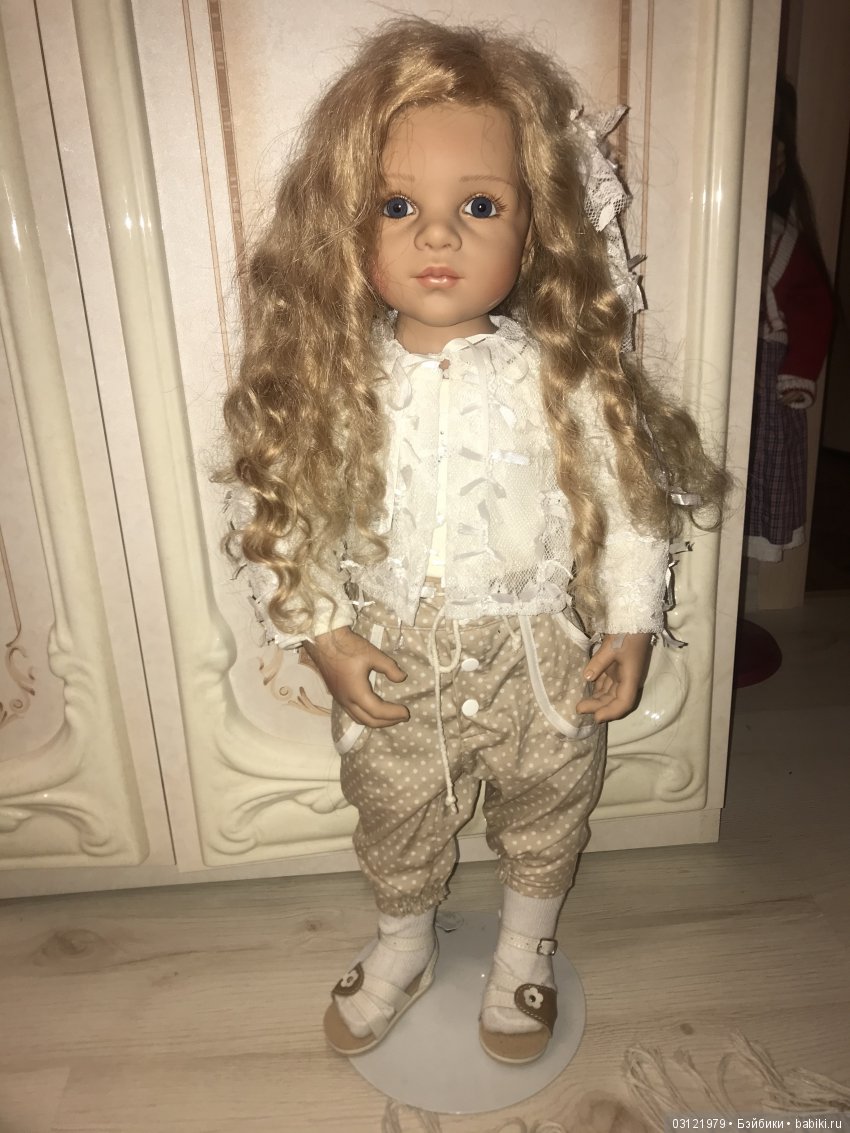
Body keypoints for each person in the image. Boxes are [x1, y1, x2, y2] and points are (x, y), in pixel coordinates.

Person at [220, 18, 726, 1064]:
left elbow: (633, 503)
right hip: (395, 652)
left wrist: (630, 624)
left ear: (534, 230)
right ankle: (403, 943)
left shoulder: (562, 375)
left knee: (550, 801)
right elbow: (291, 516)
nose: (438, 237)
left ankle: (525, 948)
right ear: (348, 225)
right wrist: (327, 636)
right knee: (393, 807)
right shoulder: (339, 381)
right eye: (398, 206)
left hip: (536, 653)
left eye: (479, 206)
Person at [746, 76, 833, 562]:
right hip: (732, 362)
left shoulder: (780, 239)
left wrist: (798, 371)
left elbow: (814, 308)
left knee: (763, 460)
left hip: (769, 376)